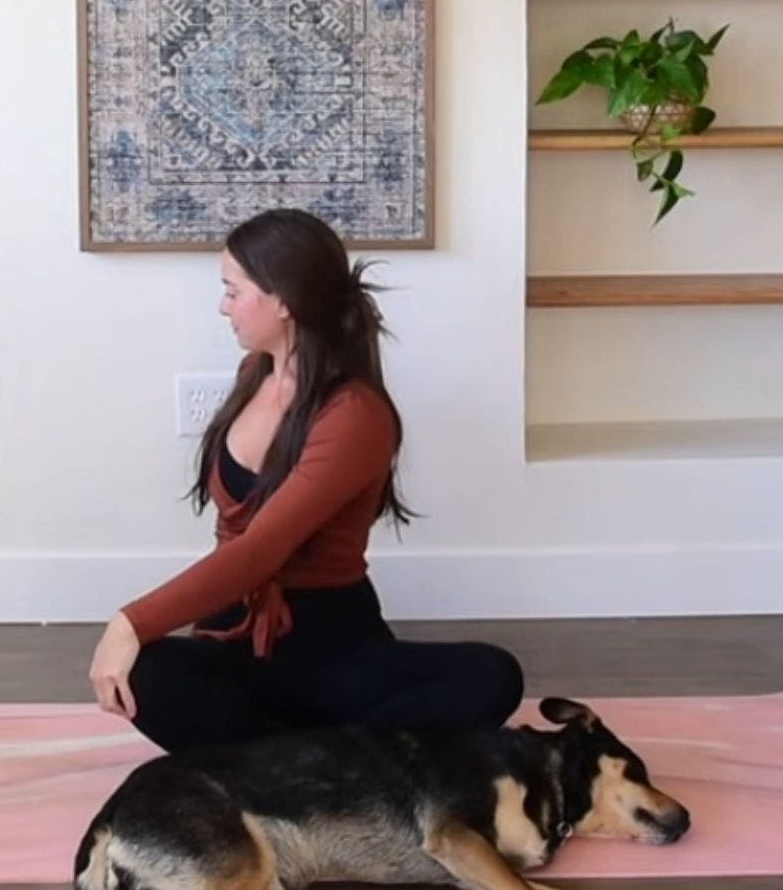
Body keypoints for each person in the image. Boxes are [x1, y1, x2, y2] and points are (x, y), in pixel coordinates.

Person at [86, 208, 525, 753]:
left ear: (284, 301)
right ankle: (330, 759)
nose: (223, 306)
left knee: (493, 675)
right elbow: (234, 548)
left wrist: (131, 621)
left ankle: (288, 761)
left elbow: (261, 550)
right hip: (236, 638)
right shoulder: (255, 375)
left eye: (232, 290)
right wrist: (143, 638)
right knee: (148, 675)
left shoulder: (355, 413)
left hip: (333, 651)